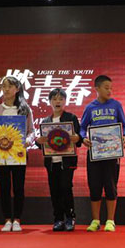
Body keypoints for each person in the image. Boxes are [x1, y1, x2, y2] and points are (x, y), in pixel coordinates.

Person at [80, 75, 125, 232]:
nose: (109, 91)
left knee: (111, 186)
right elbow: (82, 128)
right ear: (97, 89)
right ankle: (95, 220)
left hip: (112, 153)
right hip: (94, 153)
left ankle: (110, 220)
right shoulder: (90, 108)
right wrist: (83, 138)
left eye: (111, 88)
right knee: (94, 186)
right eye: (106, 88)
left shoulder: (116, 105)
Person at [0, 76, 34, 232]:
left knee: (18, 187)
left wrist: (28, 141)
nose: (6, 89)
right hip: (1, 154)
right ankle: (7, 219)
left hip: (18, 153)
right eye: (4, 86)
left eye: (9, 86)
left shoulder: (25, 109)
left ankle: (17, 219)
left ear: (17, 89)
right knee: (4, 187)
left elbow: (31, 131)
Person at [35, 88, 82, 231]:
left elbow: (79, 139)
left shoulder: (71, 118)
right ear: (49, 102)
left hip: (67, 162)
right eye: (54, 99)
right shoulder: (46, 121)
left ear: (65, 101)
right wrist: (38, 141)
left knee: (66, 187)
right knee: (54, 190)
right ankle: (58, 219)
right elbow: (41, 144)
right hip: (51, 163)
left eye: (61, 99)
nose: (58, 102)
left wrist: (77, 137)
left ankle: (70, 218)